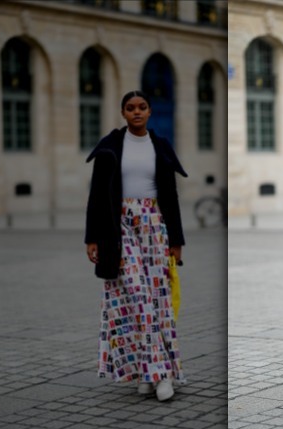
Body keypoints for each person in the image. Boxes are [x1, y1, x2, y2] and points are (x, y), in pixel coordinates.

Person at [85, 90, 187, 401]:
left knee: (157, 299)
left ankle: (148, 373)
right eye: (130, 108)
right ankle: (160, 373)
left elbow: (170, 196)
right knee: (137, 294)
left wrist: (177, 241)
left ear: (150, 112)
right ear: (123, 113)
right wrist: (91, 237)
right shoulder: (111, 147)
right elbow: (96, 196)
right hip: (120, 226)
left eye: (142, 107)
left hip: (155, 224)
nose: (137, 112)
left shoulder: (160, 146)